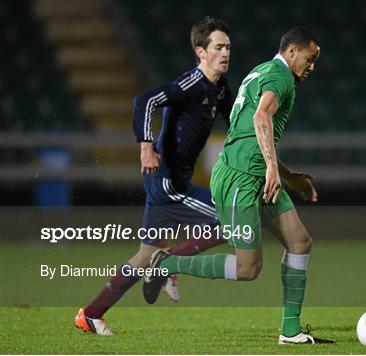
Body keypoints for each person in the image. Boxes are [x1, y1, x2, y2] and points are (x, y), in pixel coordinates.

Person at [143, 27, 333, 345]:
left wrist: (286, 175)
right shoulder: (280, 76)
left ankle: (290, 332)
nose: (311, 67)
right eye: (310, 59)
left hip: (257, 175)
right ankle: (168, 263)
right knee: (248, 269)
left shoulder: (263, 70)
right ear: (292, 52)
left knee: (300, 243)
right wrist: (273, 168)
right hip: (240, 179)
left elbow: (250, 132)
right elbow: (261, 119)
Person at [74, 17, 232, 336]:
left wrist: (278, 169)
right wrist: (146, 146)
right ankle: (169, 264)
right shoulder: (192, 83)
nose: (226, 52)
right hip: (167, 181)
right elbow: (144, 101)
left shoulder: (220, 90)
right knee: (231, 222)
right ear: (200, 51)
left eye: (228, 47)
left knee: (146, 255)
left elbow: (241, 128)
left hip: (173, 181)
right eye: (219, 47)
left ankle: (90, 314)